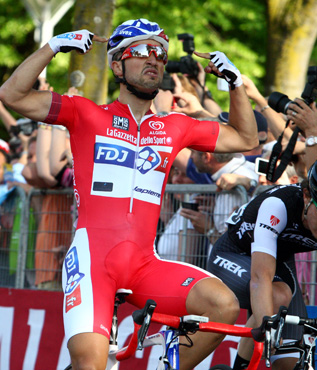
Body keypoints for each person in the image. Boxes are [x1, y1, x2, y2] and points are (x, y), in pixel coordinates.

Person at [0, 19, 259, 370]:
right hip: (93, 263)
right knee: (90, 364)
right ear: (116, 63)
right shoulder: (86, 113)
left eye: (161, 53)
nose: (154, 58)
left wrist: (235, 83)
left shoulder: (175, 125)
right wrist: (53, 47)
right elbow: (12, 95)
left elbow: (246, 139)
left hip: (144, 265)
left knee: (223, 306)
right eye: (141, 51)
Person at [207, 149, 317, 370]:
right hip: (233, 254)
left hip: (277, 265)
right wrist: (268, 332)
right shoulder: (278, 205)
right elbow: (260, 278)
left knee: (290, 364)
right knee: (276, 298)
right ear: (306, 195)